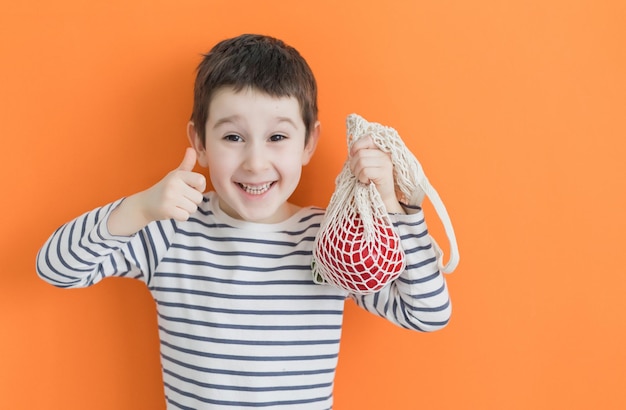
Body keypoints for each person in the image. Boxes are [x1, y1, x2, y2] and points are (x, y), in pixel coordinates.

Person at [36, 33, 451, 409]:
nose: (255, 163)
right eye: (233, 137)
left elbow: (427, 313)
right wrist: (140, 209)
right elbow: (55, 268)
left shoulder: (330, 241)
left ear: (309, 143)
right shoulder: (172, 229)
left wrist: (396, 211)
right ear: (199, 142)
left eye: (277, 137)